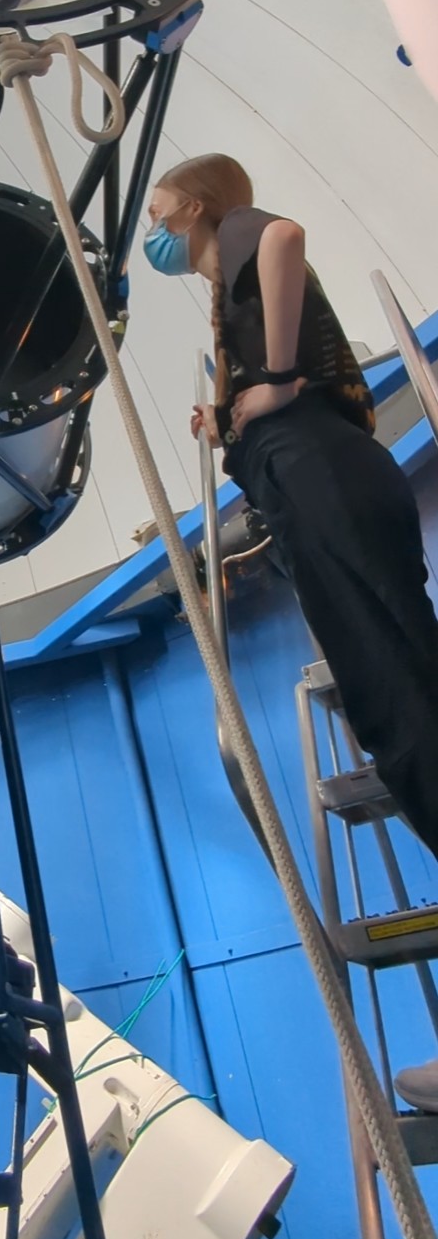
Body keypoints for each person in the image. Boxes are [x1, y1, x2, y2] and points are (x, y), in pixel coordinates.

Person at [143, 153, 438, 1110]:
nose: (153, 229)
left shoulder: (236, 232)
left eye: (157, 211)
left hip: (322, 472)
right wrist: (232, 408)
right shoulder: (221, 296)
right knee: (394, 704)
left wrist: (268, 382)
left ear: (190, 206)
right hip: (320, 477)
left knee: (404, 711)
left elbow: (284, 238)